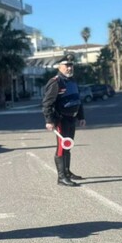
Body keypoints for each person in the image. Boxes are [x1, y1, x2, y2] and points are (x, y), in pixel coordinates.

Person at [41, 53, 86, 187]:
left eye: (71, 65)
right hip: (61, 119)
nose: (69, 68)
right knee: (61, 148)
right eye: (66, 65)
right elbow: (47, 103)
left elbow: (78, 100)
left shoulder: (72, 81)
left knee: (68, 146)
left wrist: (81, 117)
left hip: (71, 118)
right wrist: (49, 121)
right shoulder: (56, 82)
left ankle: (67, 172)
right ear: (59, 67)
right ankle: (61, 178)